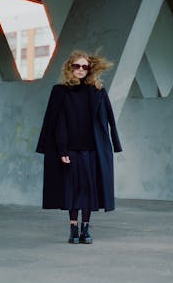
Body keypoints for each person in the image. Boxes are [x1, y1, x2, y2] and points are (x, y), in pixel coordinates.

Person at [36, 49, 122, 244]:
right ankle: (73, 229)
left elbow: (110, 118)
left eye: (85, 66)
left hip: (92, 150)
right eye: (77, 66)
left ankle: (85, 230)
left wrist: (114, 143)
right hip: (70, 151)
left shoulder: (98, 91)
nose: (81, 69)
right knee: (72, 192)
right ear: (70, 68)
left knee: (89, 192)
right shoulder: (59, 91)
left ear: (89, 69)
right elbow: (53, 122)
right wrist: (61, 150)